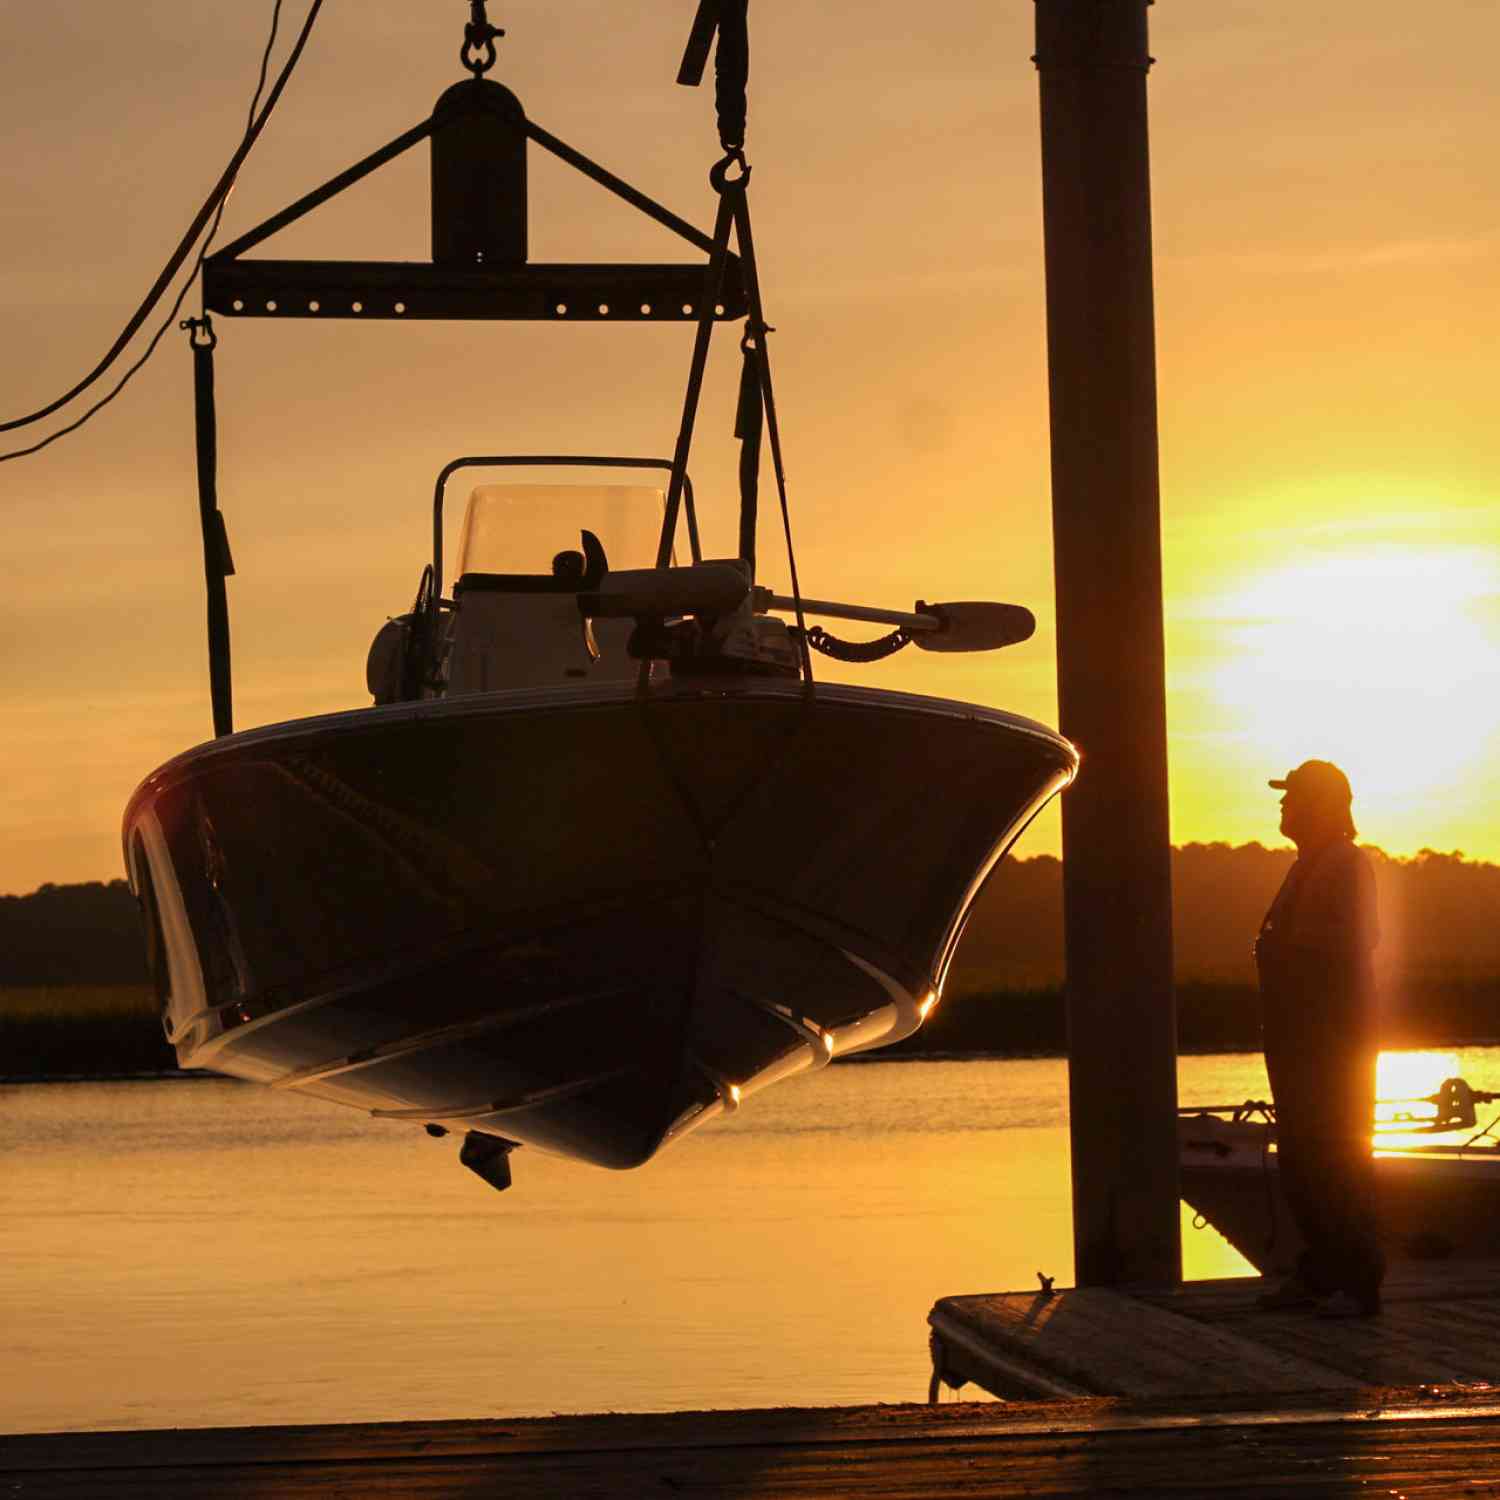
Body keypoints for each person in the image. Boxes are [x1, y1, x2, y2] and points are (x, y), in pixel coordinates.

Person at [1253, 759, 1385, 1317]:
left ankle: (1356, 1283)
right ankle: (1321, 1272)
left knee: (1336, 1157)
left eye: (1294, 797)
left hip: (1330, 1042)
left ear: (1325, 805)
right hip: (1299, 1037)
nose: (1283, 806)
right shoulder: (1308, 864)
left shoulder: (1346, 865)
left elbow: (1352, 944)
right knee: (1305, 1159)